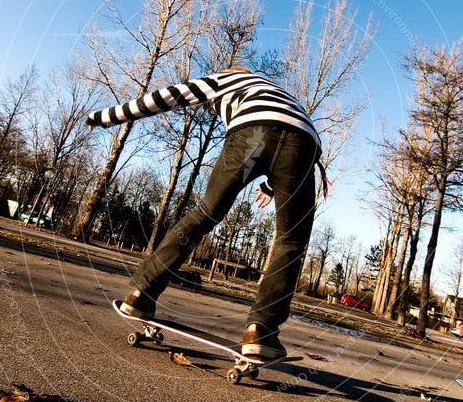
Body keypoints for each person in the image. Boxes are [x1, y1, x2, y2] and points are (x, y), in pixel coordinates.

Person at [86, 67, 326, 361]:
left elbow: (164, 98)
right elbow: (284, 138)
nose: (212, 110)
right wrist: (270, 183)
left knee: (206, 212)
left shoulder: (224, 79)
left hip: (252, 131)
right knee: (292, 240)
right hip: (304, 143)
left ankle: (141, 294)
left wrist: (105, 117)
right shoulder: (280, 94)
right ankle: (261, 331)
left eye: (211, 107)